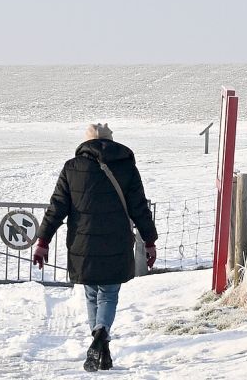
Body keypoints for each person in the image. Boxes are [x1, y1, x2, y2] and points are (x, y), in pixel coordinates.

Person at [32, 123, 158, 372]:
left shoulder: (72, 167)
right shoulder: (126, 166)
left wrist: (43, 241)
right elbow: (139, 207)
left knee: (91, 293)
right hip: (116, 240)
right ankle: (102, 337)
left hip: (83, 241)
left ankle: (98, 338)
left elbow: (57, 207)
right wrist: (149, 240)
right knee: (109, 293)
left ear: (86, 143)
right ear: (112, 141)